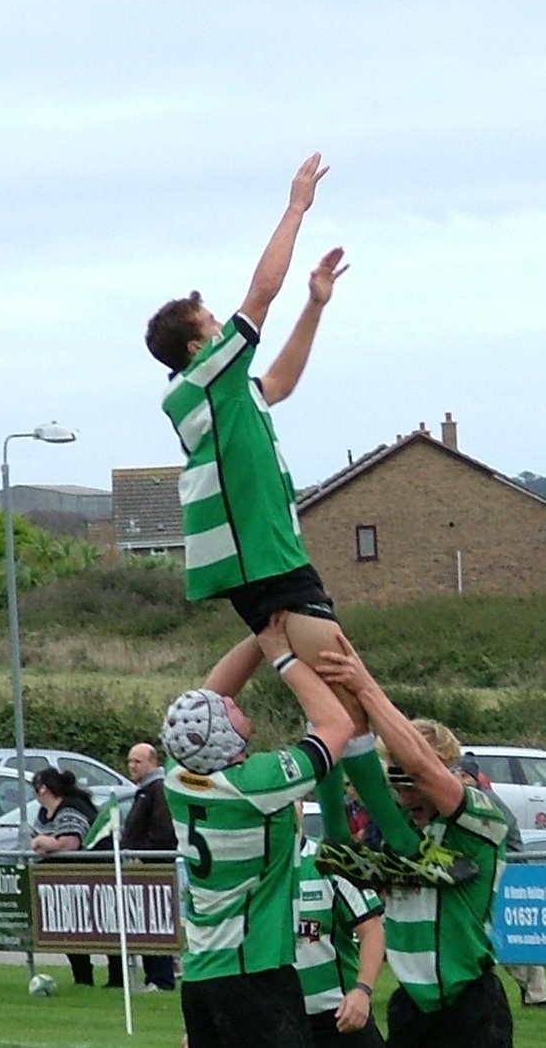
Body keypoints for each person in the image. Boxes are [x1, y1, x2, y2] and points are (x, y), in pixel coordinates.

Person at [145, 153, 414, 883]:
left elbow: (282, 382)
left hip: (269, 557)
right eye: (213, 323)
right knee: (346, 688)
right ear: (201, 346)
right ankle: (384, 839)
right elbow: (259, 292)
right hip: (262, 561)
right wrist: (296, 206)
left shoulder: (231, 390)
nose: (228, 325)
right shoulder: (200, 381)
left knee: (341, 698)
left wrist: (317, 304)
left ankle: (362, 841)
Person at [162, 619, 354, 1048]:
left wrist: (260, 631)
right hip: (254, 973)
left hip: (201, 976)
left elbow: (213, 696)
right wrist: (283, 656)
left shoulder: (178, 776)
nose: (233, 704)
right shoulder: (255, 785)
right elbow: (336, 727)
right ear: (225, 736)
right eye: (228, 711)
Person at [318, 646, 513, 1048]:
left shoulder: (481, 820)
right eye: (397, 782)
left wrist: (365, 687)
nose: (406, 796)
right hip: (411, 1005)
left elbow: (424, 769)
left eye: (412, 785)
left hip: (469, 1004)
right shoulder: (396, 827)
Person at [453, 754, 546, 1011]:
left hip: (508, 875)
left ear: (471, 777)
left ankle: (536, 994)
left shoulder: (486, 801)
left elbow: (496, 839)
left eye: (461, 775)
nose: (457, 780)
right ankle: (533, 994)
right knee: (502, 939)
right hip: (495, 875)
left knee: (510, 939)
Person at [296, 830, 387, 1048]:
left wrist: (362, 991)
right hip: (276, 1019)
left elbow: (372, 929)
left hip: (338, 1018)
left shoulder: (330, 860)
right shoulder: (251, 868)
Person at [106, 741, 178, 993]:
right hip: (141, 870)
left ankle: (161, 978)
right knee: (144, 923)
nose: (132, 766)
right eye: (129, 761)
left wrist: (144, 856)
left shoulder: (159, 790)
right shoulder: (145, 790)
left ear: (152, 762)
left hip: (153, 870)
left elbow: (164, 831)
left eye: (137, 761)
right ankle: (153, 977)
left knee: (155, 922)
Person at [30, 767, 109, 988]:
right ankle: (82, 977)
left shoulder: (72, 807)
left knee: (104, 927)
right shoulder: (43, 813)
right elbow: (40, 842)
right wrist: (45, 843)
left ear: (43, 788)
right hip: (63, 881)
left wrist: (46, 843)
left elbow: (69, 843)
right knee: (67, 929)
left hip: (95, 875)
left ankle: (117, 978)